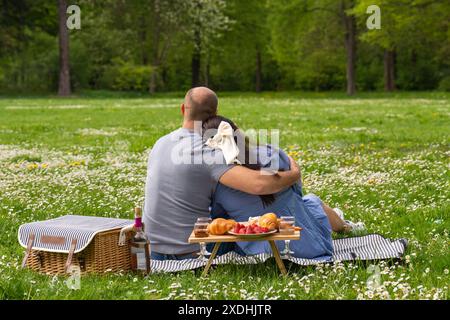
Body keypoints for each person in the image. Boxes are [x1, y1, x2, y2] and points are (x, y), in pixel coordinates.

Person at [143, 87, 301, 260]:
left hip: (151, 250)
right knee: (237, 210)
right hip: (192, 252)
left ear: (182, 109)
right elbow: (259, 184)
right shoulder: (208, 151)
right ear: (215, 115)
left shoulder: (160, 143)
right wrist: (294, 174)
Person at [203, 115, 365, 260]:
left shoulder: (217, 178)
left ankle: (345, 224)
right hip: (307, 245)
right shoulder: (270, 153)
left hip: (260, 252)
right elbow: (297, 193)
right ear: (236, 131)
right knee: (310, 201)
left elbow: (219, 216)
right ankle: (346, 226)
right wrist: (294, 172)